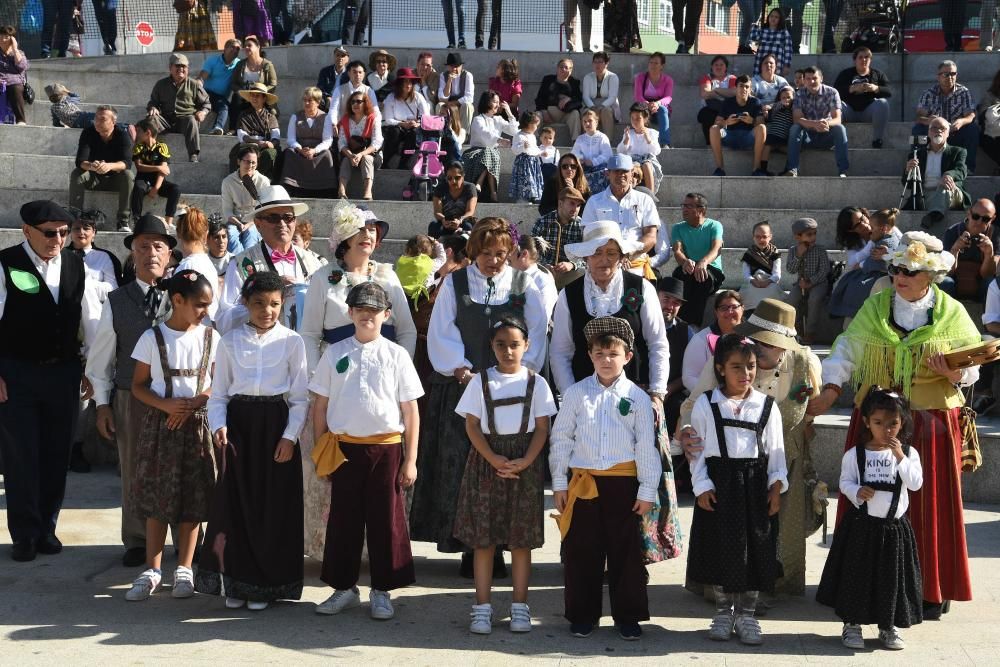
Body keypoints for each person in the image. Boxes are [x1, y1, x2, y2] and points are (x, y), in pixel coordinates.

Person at [808, 230, 979, 621]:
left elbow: (972, 367)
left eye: (911, 271)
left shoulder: (952, 312)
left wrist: (954, 372)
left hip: (931, 423)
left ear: (931, 276)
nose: (900, 276)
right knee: (869, 501)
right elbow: (847, 348)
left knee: (925, 504)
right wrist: (832, 389)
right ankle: (863, 583)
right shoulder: (877, 306)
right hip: (878, 422)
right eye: (897, 268)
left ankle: (927, 588)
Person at [410, 218, 548, 573]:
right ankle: (470, 545)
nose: (493, 260)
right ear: (473, 252)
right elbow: (442, 331)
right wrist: (461, 369)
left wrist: (517, 374)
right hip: (463, 387)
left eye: (501, 254)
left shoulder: (524, 284)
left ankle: (500, 545)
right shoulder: (455, 282)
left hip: (509, 393)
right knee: (462, 469)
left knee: (504, 466)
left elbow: (536, 333)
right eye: (486, 253)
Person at [678, 298, 823, 597]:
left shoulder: (806, 362)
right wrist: (688, 430)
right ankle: (723, 588)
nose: (774, 351)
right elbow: (695, 404)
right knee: (731, 529)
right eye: (767, 344)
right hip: (734, 459)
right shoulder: (731, 359)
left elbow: (811, 409)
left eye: (780, 344)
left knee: (782, 531)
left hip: (786, 458)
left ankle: (771, 587)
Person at [311, 282, 423, 620]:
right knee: (343, 520)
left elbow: (411, 410)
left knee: (384, 521)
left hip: (386, 449)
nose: (366, 315)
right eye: (360, 308)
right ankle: (344, 588)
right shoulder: (334, 353)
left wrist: (411, 459)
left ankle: (382, 589)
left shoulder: (397, 355)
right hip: (344, 448)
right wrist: (321, 449)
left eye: (374, 310)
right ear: (350, 312)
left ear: (386, 314)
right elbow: (320, 405)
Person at [197, 271, 307, 611]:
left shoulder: (292, 342)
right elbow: (219, 395)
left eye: (274, 304)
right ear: (245, 303)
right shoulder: (229, 341)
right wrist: (219, 426)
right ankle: (237, 581)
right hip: (239, 428)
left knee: (272, 507)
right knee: (236, 506)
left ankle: (265, 585)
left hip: (275, 427)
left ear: (283, 304)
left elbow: (300, 398)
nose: (267, 311)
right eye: (259, 303)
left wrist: (290, 437)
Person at [549, 315, 661, 640]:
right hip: (584, 482)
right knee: (581, 551)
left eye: (613, 354)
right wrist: (559, 483)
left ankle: (628, 616)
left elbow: (646, 446)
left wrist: (647, 489)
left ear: (627, 356)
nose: (606, 360)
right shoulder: (575, 394)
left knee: (626, 554)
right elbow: (562, 440)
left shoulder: (638, 398)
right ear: (590, 356)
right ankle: (583, 614)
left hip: (624, 484)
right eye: (599, 354)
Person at [454, 314, 557, 634]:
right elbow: (471, 425)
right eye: (501, 345)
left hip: (525, 464)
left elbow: (543, 427)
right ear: (492, 347)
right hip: (486, 462)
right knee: (483, 541)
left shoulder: (536, 382)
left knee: (520, 541)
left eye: (515, 345)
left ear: (526, 345)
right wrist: (492, 457)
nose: (508, 351)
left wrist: (526, 460)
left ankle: (520, 607)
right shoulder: (480, 381)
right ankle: (481, 607)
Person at [124, 270, 220, 601]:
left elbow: (218, 382)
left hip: (196, 426)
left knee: (192, 497)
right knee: (157, 497)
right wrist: (166, 405)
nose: (205, 311)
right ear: (177, 300)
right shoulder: (152, 338)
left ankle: (185, 567)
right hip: (161, 427)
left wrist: (198, 400)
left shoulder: (211, 337)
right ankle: (152, 568)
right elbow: (137, 385)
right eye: (200, 305)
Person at [0, 202, 88, 562]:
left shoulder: (74, 263)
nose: (58, 240)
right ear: (27, 231)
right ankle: (24, 533)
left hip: (62, 372)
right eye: (49, 233)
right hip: (17, 373)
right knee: (21, 456)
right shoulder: (5, 263)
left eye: (63, 234)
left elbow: (86, 319)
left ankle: (47, 528)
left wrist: (89, 371)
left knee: (55, 453)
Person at [687, 335, 787, 646]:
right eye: (737, 367)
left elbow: (777, 453)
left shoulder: (767, 407)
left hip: (755, 487)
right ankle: (722, 611)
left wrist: (775, 488)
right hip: (721, 486)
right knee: (721, 549)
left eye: (751, 367)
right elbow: (698, 454)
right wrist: (702, 486)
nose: (745, 373)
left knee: (755, 551)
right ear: (720, 369)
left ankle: (747, 614)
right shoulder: (706, 404)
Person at [86, 214, 174, 567]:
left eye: (158, 246)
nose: (151, 252)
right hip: (130, 398)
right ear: (132, 254)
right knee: (135, 469)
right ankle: (138, 540)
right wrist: (103, 405)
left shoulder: (184, 296)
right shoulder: (116, 300)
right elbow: (101, 359)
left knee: (181, 467)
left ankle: (186, 538)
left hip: (176, 399)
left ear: (169, 254)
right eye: (143, 246)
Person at [816, 387, 923, 651]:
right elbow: (844, 482)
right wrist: (856, 492)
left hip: (894, 530)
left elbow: (915, 483)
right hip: (862, 529)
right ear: (866, 422)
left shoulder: (908, 454)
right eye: (878, 423)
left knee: (890, 579)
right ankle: (852, 624)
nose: (886, 430)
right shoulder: (856, 454)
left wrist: (899, 458)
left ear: (903, 422)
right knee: (857, 577)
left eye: (893, 424)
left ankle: (888, 626)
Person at [549, 220, 669, 400]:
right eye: (596, 253)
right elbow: (560, 352)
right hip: (584, 397)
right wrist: (570, 396)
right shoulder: (568, 294)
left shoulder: (642, 288)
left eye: (611, 253)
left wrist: (657, 393)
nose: (604, 260)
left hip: (635, 394)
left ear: (622, 257)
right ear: (585, 258)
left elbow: (657, 344)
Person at [221, 185, 324, 331]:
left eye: (288, 217)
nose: (282, 224)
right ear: (257, 224)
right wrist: (263, 294)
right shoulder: (241, 264)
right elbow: (225, 320)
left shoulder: (313, 263)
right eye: (273, 218)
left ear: (295, 221)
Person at [581, 154, 659, 278]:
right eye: (616, 171)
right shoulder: (594, 201)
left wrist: (629, 254)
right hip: (603, 267)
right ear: (607, 174)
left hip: (635, 267)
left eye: (625, 171)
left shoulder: (645, 200)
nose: (621, 175)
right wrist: (611, 257)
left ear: (632, 173)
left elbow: (651, 236)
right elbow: (588, 235)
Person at [69, 105, 135, 233]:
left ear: (113, 122)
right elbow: (80, 161)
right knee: (77, 173)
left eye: (102, 119)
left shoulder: (122, 135)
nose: (97, 122)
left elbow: (127, 163)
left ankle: (123, 220)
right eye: (96, 118)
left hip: (115, 180)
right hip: (93, 178)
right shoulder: (88, 132)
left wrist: (109, 166)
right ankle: (74, 217)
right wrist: (92, 166)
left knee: (128, 175)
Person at [667, 193, 724, 326]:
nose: (684, 209)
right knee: (681, 277)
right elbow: (677, 250)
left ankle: (692, 325)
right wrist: (685, 261)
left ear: (701, 210)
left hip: (710, 267)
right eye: (683, 205)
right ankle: (680, 324)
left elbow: (716, 249)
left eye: (688, 206)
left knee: (703, 278)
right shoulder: (678, 228)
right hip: (689, 265)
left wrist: (703, 262)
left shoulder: (715, 225)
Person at [783, 66, 850, 178]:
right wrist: (815, 124)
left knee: (840, 128)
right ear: (804, 80)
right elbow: (797, 119)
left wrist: (826, 123)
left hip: (826, 135)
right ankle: (792, 169)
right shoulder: (799, 94)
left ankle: (843, 170)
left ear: (821, 78)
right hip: (807, 137)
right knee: (795, 128)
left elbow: (837, 119)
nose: (811, 81)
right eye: (808, 79)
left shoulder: (832, 92)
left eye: (815, 78)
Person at [913, 60, 978, 173]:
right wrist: (929, 121)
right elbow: (918, 117)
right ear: (938, 76)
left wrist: (961, 122)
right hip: (935, 133)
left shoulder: (964, 92)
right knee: (918, 129)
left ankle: (967, 169)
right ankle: (917, 166)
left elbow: (971, 115)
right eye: (946, 74)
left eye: (953, 74)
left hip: (955, 132)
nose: (950, 77)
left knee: (972, 129)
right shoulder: (928, 94)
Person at [146, 53, 210, 164]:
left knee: (191, 120)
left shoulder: (194, 84)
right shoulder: (161, 84)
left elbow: (206, 103)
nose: (181, 69)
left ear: (188, 69)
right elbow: (153, 102)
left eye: (184, 66)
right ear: (170, 68)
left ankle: (193, 155)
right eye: (177, 66)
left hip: (185, 121)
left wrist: (203, 112)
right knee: (152, 119)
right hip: (166, 120)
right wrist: (153, 108)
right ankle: (152, 153)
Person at [907, 118, 971, 230]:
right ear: (928, 133)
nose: (938, 131)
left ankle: (932, 216)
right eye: (934, 128)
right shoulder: (916, 155)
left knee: (944, 186)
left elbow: (961, 170)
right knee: (926, 196)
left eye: (943, 128)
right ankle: (935, 211)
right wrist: (907, 171)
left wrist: (948, 174)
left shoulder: (959, 151)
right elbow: (907, 185)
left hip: (952, 193)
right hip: (926, 195)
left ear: (948, 133)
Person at [681, 290, 745, 391]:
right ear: (716, 312)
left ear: (742, 308)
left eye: (734, 307)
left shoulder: (753, 338)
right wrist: (716, 396)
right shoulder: (701, 340)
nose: (730, 312)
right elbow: (689, 377)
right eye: (724, 308)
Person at [281, 87, 337, 198]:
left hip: (318, 150)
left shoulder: (326, 117)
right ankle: (290, 187)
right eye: (304, 100)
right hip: (300, 149)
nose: (306, 103)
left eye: (310, 100)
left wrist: (315, 150)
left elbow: (327, 140)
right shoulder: (295, 117)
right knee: (289, 153)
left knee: (327, 155)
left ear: (317, 102)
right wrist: (300, 148)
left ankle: (325, 189)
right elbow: (291, 139)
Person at [463, 91, 518, 203]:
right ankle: (493, 192)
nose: (498, 105)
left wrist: (509, 112)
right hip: (476, 152)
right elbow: (485, 134)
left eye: (498, 102)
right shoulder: (478, 119)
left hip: (492, 153)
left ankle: (481, 183)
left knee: (491, 152)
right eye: (495, 102)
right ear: (487, 102)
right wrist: (499, 140)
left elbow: (514, 131)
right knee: (488, 151)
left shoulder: (498, 119)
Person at [940, 198, 999, 301]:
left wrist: (989, 254)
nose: (979, 222)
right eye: (976, 216)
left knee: (991, 283)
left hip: (981, 283)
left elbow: (988, 275)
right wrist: (955, 250)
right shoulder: (952, 232)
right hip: (956, 281)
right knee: (944, 282)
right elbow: (948, 272)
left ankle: (987, 316)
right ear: (968, 213)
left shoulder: (995, 234)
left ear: (992, 219)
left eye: (985, 219)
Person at [834, 47, 892, 149]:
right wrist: (852, 89)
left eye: (867, 57)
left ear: (870, 60)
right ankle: (835, 140)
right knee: (837, 106)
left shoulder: (877, 74)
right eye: (860, 57)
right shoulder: (846, 73)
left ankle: (877, 139)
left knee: (882, 103)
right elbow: (834, 92)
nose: (864, 60)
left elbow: (889, 92)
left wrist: (876, 88)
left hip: (868, 112)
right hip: (849, 111)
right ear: (855, 60)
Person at [785, 217, 830, 345]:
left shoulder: (820, 250)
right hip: (801, 284)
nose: (813, 237)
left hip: (819, 283)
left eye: (814, 233)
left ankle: (810, 332)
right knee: (791, 299)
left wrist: (811, 282)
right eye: (809, 234)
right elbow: (791, 269)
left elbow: (824, 269)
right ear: (798, 237)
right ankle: (793, 328)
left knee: (814, 299)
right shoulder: (793, 250)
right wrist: (799, 255)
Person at [709, 75, 766, 177]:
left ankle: (756, 169)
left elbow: (761, 123)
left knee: (762, 128)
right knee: (713, 129)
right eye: (741, 86)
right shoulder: (727, 102)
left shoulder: (755, 102)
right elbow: (717, 122)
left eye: (747, 87)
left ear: (750, 89)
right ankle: (720, 169)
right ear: (735, 88)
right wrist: (726, 122)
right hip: (730, 136)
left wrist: (751, 121)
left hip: (748, 137)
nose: (744, 89)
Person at [531, 186, 586, 289]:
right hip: (544, 272)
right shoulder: (542, 222)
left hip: (569, 275)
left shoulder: (581, 226)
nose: (575, 209)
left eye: (578, 205)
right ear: (560, 203)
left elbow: (587, 256)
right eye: (572, 203)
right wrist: (544, 265)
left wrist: (572, 265)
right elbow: (531, 251)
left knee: (584, 272)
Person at [174, 207, 222, 325]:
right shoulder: (206, 263)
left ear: (178, 234)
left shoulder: (186, 267)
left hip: (193, 330)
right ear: (206, 235)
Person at [130, 119, 181, 228]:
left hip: (158, 181)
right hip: (143, 179)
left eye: (138, 131)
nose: (136, 134)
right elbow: (139, 167)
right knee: (138, 187)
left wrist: (156, 188)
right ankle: (136, 218)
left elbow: (162, 172)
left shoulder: (162, 147)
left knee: (175, 189)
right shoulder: (139, 147)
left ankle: (169, 221)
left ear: (147, 133)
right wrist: (158, 167)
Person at [220, 144, 268, 254]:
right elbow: (227, 210)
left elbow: (263, 210)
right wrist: (239, 224)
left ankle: (248, 265)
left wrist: (249, 223)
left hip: (255, 221)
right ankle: (238, 264)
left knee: (251, 234)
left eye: (253, 162)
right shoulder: (228, 182)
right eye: (247, 161)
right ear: (238, 162)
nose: (250, 165)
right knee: (231, 235)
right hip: (235, 221)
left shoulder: (263, 181)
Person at [382, 68, 430, 170]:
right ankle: (386, 161)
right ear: (399, 84)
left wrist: (417, 123)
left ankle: (403, 164)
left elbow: (426, 116)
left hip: (413, 126)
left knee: (413, 134)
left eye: (410, 82)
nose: (408, 85)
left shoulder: (418, 97)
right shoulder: (391, 97)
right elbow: (388, 119)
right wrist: (402, 124)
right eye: (405, 82)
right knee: (393, 132)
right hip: (397, 127)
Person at [338, 91, 383, 201]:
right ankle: (341, 191)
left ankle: (367, 191)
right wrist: (351, 156)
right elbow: (341, 142)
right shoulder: (345, 120)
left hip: (372, 156)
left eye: (359, 101)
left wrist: (361, 154)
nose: (355, 104)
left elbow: (377, 142)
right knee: (345, 160)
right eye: (353, 102)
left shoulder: (373, 119)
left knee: (366, 158)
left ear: (365, 103)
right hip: (352, 154)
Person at [230, 82, 281, 179]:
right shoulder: (243, 115)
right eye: (252, 96)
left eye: (257, 96)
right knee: (239, 154)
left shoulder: (270, 116)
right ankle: (239, 179)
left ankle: (262, 180)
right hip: (248, 144)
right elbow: (242, 135)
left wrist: (271, 144)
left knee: (270, 154)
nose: (254, 98)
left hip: (265, 146)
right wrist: (257, 142)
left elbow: (275, 136)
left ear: (264, 98)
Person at [229, 37, 278, 130]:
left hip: (261, 97)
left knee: (269, 109)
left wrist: (260, 91)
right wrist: (241, 92)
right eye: (245, 46)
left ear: (258, 47)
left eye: (249, 45)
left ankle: (266, 130)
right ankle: (233, 129)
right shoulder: (240, 64)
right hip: (245, 97)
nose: (246, 48)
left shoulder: (267, 65)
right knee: (236, 98)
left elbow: (273, 84)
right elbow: (233, 83)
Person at [199, 39, 242, 135]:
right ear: (225, 49)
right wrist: (196, 90)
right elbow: (201, 78)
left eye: (238, 49)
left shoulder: (239, 64)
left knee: (232, 103)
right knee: (224, 107)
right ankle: (218, 127)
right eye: (232, 47)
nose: (235, 50)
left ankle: (228, 130)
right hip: (206, 93)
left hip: (221, 98)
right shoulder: (212, 61)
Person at [536, 59, 584, 142]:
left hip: (566, 114)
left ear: (571, 70)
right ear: (557, 68)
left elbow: (579, 99)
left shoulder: (574, 82)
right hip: (548, 112)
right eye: (561, 67)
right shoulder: (548, 80)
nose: (563, 69)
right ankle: (533, 140)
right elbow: (539, 98)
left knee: (575, 113)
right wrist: (544, 111)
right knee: (536, 115)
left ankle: (576, 142)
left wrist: (569, 98)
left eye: (566, 67)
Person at [618, 103, 662, 191]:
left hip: (648, 160)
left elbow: (657, 151)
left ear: (645, 119)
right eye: (632, 118)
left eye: (638, 118)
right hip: (634, 161)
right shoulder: (629, 133)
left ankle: (651, 195)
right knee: (632, 166)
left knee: (646, 165)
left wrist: (648, 139)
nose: (635, 121)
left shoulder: (652, 132)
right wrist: (626, 140)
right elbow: (620, 151)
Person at [740, 221, 783, 311]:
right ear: (753, 237)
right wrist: (753, 281)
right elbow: (746, 274)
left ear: (770, 237)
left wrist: (767, 282)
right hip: (754, 281)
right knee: (750, 291)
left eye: (764, 236)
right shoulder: (749, 253)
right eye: (758, 237)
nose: (761, 240)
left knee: (773, 291)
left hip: (769, 281)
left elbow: (777, 274)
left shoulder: (775, 253)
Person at [633, 53, 673, 147]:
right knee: (639, 112)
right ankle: (639, 142)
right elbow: (638, 96)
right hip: (643, 106)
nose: (652, 65)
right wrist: (648, 104)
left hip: (659, 106)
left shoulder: (668, 80)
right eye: (651, 62)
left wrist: (657, 104)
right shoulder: (640, 78)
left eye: (656, 63)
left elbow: (668, 97)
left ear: (662, 66)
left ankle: (664, 143)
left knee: (663, 110)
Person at [430, 162, 478, 238]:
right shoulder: (440, 188)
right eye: (449, 178)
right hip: (446, 222)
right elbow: (437, 212)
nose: (453, 181)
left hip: (463, 221)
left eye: (457, 178)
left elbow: (470, 211)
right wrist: (443, 220)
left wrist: (460, 220)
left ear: (463, 176)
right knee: (433, 226)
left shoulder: (470, 187)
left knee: (468, 226)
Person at [699, 56, 738, 144]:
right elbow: (705, 94)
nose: (718, 67)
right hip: (711, 108)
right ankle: (709, 143)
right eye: (716, 65)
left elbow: (734, 92)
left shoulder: (732, 78)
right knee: (706, 115)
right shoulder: (707, 78)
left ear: (726, 67)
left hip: (728, 110)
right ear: (712, 67)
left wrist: (716, 90)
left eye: (721, 65)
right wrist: (725, 93)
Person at [572, 109, 613, 194]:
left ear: (596, 122)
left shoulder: (602, 137)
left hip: (599, 167)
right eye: (584, 121)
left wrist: (593, 162)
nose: (587, 123)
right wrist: (581, 159)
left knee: (603, 172)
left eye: (590, 121)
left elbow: (607, 155)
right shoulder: (580, 139)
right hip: (584, 168)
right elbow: (574, 153)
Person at [758, 85, 795, 175]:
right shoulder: (777, 106)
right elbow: (770, 107)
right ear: (779, 98)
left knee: (791, 150)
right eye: (783, 97)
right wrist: (767, 108)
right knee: (767, 146)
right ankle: (763, 169)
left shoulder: (794, 109)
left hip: (784, 137)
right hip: (773, 134)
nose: (786, 99)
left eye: (789, 97)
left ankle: (788, 170)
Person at [509, 112, 545, 203]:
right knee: (524, 180)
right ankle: (523, 197)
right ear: (529, 124)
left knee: (532, 179)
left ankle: (532, 196)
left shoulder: (532, 136)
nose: (537, 127)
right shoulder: (519, 135)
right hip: (523, 163)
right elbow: (514, 149)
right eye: (536, 125)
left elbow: (534, 148)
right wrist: (522, 146)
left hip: (533, 162)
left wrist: (540, 153)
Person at [581, 52, 620, 134]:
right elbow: (585, 97)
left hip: (608, 106)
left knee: (606, 111)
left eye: (600, 62)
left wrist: (601, 107)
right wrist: (593, 107)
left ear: (606, 63)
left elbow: (612, 97)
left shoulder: (613, 77)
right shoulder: (587, 77)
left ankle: (608, 141)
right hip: (591, 105)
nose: (597, 65)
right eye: (595, 62)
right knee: (588, 113)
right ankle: (588, 139)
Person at [749, 9, 794, 77]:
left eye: (776, 17)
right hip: (761, 64)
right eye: (771, 16)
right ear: (768, 17)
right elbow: (753, 37)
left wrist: (786, 66)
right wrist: (755, 24)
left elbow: (788, 50)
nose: (773, 18)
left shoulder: (784, 33)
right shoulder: (762, 31)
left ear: (780, 19)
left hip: (777, 67)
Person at [438, 53, 476, 132]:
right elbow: (441, 97)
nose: (454, 69)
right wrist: (449, 81)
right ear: (448, 67)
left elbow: (469, 97)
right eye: (452, 66)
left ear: (461, 66)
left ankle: (464, 134)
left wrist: (454, 103)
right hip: (448, 103)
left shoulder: (468, 75)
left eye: (457, 66)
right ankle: (441, 132)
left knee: (467, 106)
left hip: (461, 104)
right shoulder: (443, 75)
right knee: (439, 105)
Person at [0, 26, 29, 125]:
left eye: (6, 37)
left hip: (14, 83)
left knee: (15, 88)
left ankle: (21, 120)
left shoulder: (19, 53)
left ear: (13, 39)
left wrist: (15, 48)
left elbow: (22, 66)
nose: (2, 39)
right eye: (0, 36)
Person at [316, 46, 351, 110]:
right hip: (327, 101)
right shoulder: (325, 71)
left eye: (343, 56)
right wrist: (328, 97)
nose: (340, 58)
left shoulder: (350, 73)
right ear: (334, 57)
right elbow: (320, 88)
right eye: (337, 55)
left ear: (347, 59)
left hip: (343, 101)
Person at [207, 217, 232, 282]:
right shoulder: (203, 263)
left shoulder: (235, 260)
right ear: (207, 240)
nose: (221, 241)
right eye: (216, 237)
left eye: (224, 236)